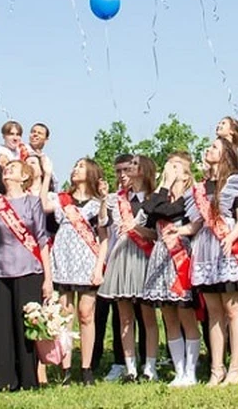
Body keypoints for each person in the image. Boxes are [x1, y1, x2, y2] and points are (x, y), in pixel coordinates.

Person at [0, 123, 53, 392]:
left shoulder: (33, 203)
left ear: (24, 177)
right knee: (0, 328)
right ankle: (1, 379)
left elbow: (42, 241)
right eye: (6, 168)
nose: (7, 170)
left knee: (26, 327)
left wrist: (48, 279)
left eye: (13, 169)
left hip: (29, 271)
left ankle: (28, 379)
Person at [191, 137, 238, 387]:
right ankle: (216, 368)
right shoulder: (200, 188)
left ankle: (236, 366)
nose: (208, 149)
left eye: (215, 147)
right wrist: (181, 231)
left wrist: (230, 237)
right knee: (214, 312)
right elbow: (198, 222)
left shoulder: (237, 182)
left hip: (228, 246)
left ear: (226, 155)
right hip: (206, 248)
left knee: (233, 309)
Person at [44, 157, 109, 385]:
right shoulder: (62, 199)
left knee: (86, 313)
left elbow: (103, 236)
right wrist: (46, 176)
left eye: (81, 166)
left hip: (87, 262)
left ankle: (87, 367)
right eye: (75, 165)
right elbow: (42, 205)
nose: (75, 169)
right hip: (64, 260)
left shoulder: (96, 202)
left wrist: (99, 267)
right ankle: (66, 368)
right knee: (65, 314)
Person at [141, 152, 203, 387]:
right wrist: (164, 184)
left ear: (187, 175)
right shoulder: (161, 194)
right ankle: (179, 372)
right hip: (160, 255)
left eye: (176, 166)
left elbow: (168, 211)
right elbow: (149, 209)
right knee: (169, 315)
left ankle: (191, 370)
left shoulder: (188, 198)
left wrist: (166, 187)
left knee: (185, 313)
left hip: (180, 254)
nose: (170, 168)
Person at [99, 155, 159, 381]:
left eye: (133, 165)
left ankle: (150, 367)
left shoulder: (154, 199)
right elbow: (103, 224)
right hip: (122, 257)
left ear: (144, 170)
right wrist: (105, 199)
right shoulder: (117, 199)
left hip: (145, 257)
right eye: (123, 169)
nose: (126, 171)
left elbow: (157, 234)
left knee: (148, 316)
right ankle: (130, 368)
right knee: (124, 317)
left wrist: (137, 229)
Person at [95, 153, 136, 380]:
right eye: (118, 171)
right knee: (118, 314)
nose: (122, 175)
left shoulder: (143, 196)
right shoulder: (112, 199)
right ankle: (119, 362)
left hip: (140, 259)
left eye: (126, 170)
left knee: (141, 314)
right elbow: (102, 224)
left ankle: (143, 360)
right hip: (115, 258)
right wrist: (103, 199)